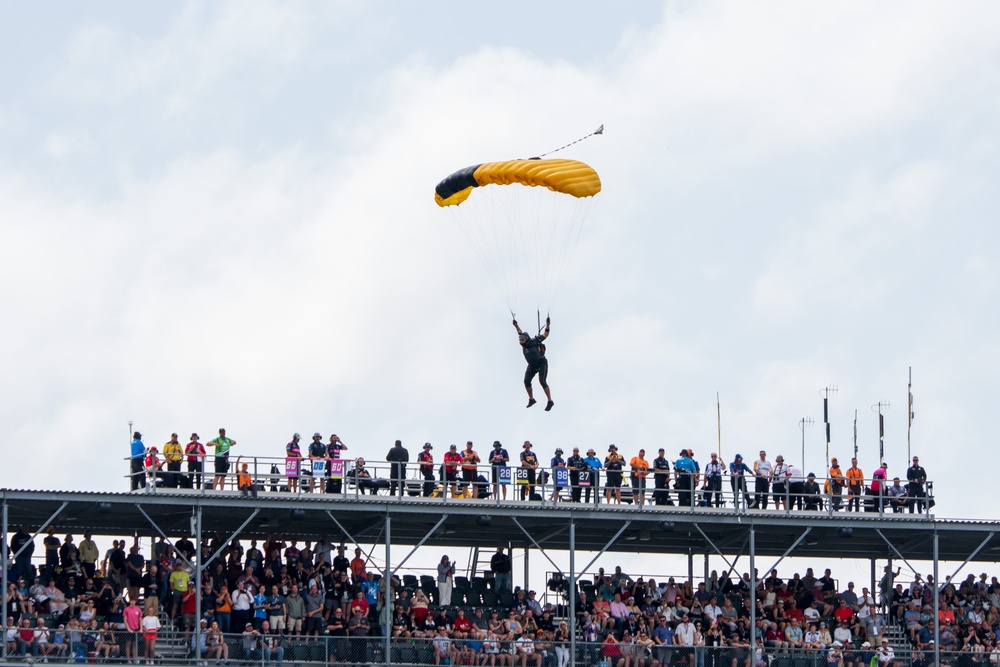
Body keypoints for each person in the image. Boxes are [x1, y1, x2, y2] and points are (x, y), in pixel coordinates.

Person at [513, 316, 553, 411]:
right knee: (526, 381)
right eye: (519, 340)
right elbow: (519, 332)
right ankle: (531, 399)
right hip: (532, 366)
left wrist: (548, 324)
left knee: (542, 381)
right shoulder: (524, 342)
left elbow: (546, 334)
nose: (520, 342)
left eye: (522, 340)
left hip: (541, 363)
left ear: (526, 339)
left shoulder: (535, 341)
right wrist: (516, 325)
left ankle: (550, 401)